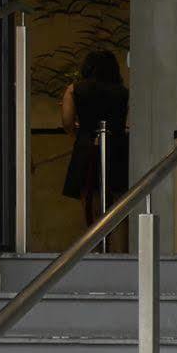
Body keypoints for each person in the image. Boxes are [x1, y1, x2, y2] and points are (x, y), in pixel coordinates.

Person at [60, 49, 130, 248]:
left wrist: (77, 134)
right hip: (118, 149)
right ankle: (121, 256)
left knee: (91, 206)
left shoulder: (75, 90)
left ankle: (97, 253)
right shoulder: (123, 93)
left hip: (87, 147)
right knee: (119, 209)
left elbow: (67, 121)